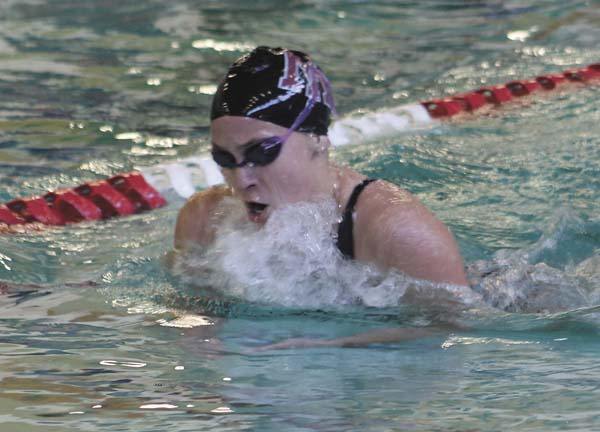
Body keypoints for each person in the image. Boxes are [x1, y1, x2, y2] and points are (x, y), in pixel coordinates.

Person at [174, 46, 468, 287]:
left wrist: (322, 343)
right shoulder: (203, 221)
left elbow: (450, 330)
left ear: (317, 139)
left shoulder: (397, 231)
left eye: (262, 152)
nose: (241, 180)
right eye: (224, 159)